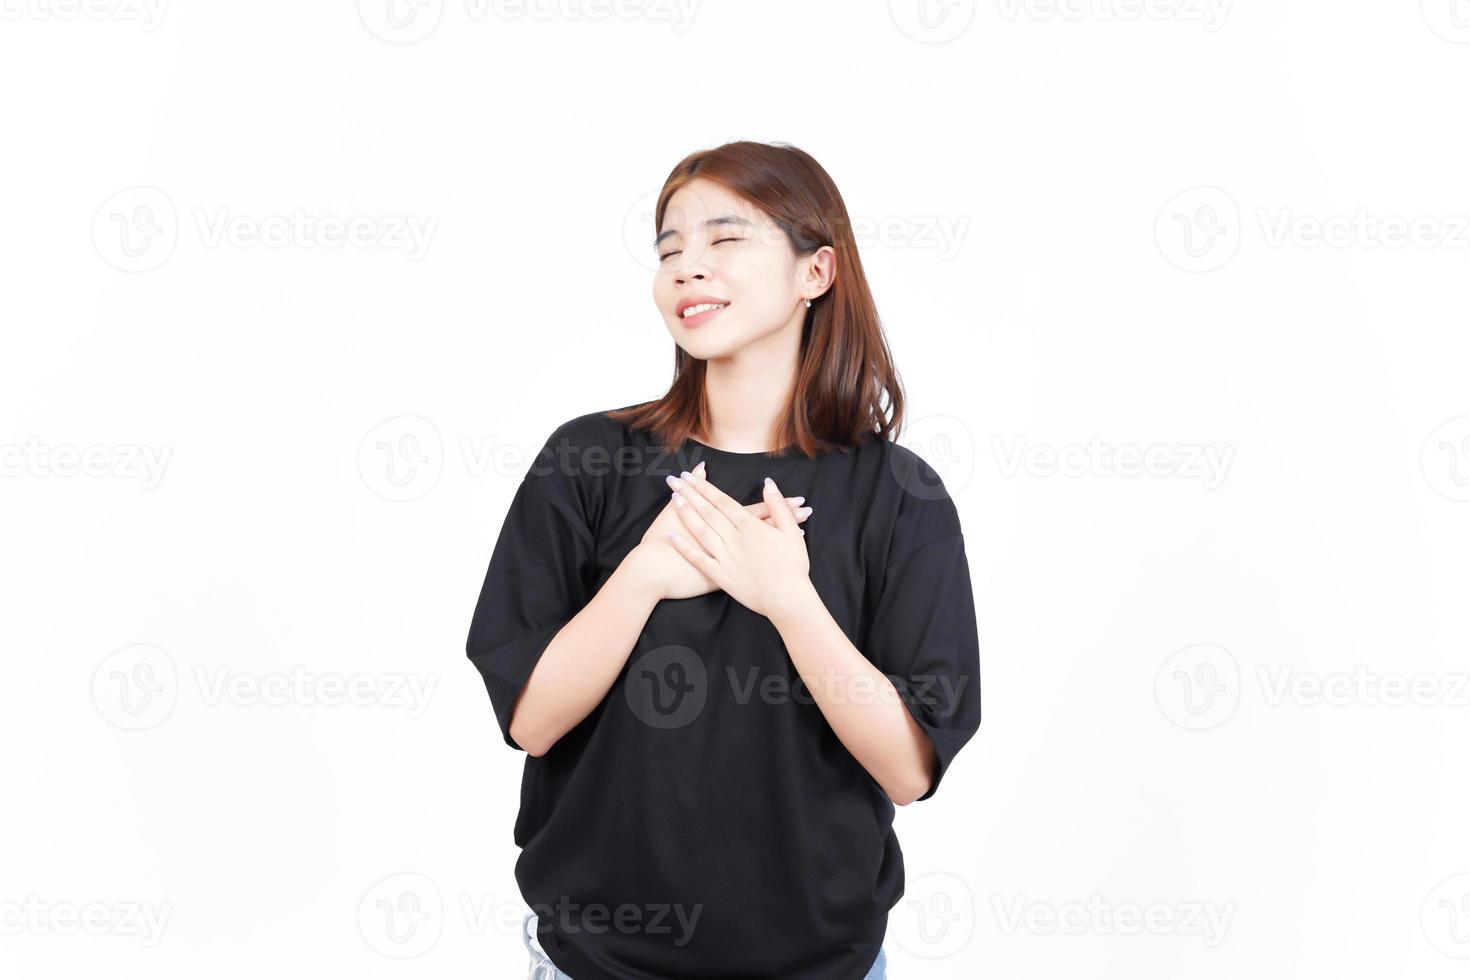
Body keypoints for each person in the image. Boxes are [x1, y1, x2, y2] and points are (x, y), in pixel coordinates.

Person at [466, 140, 982, 979]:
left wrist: (787, 598)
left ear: (816, 272)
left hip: (821, 964)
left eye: (724, 239)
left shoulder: (899, 494)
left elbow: (907, 769)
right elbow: (531, 719)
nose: (686, 268)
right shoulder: (588, 461)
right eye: (669, 248)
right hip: (598, 962)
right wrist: (643, 575)